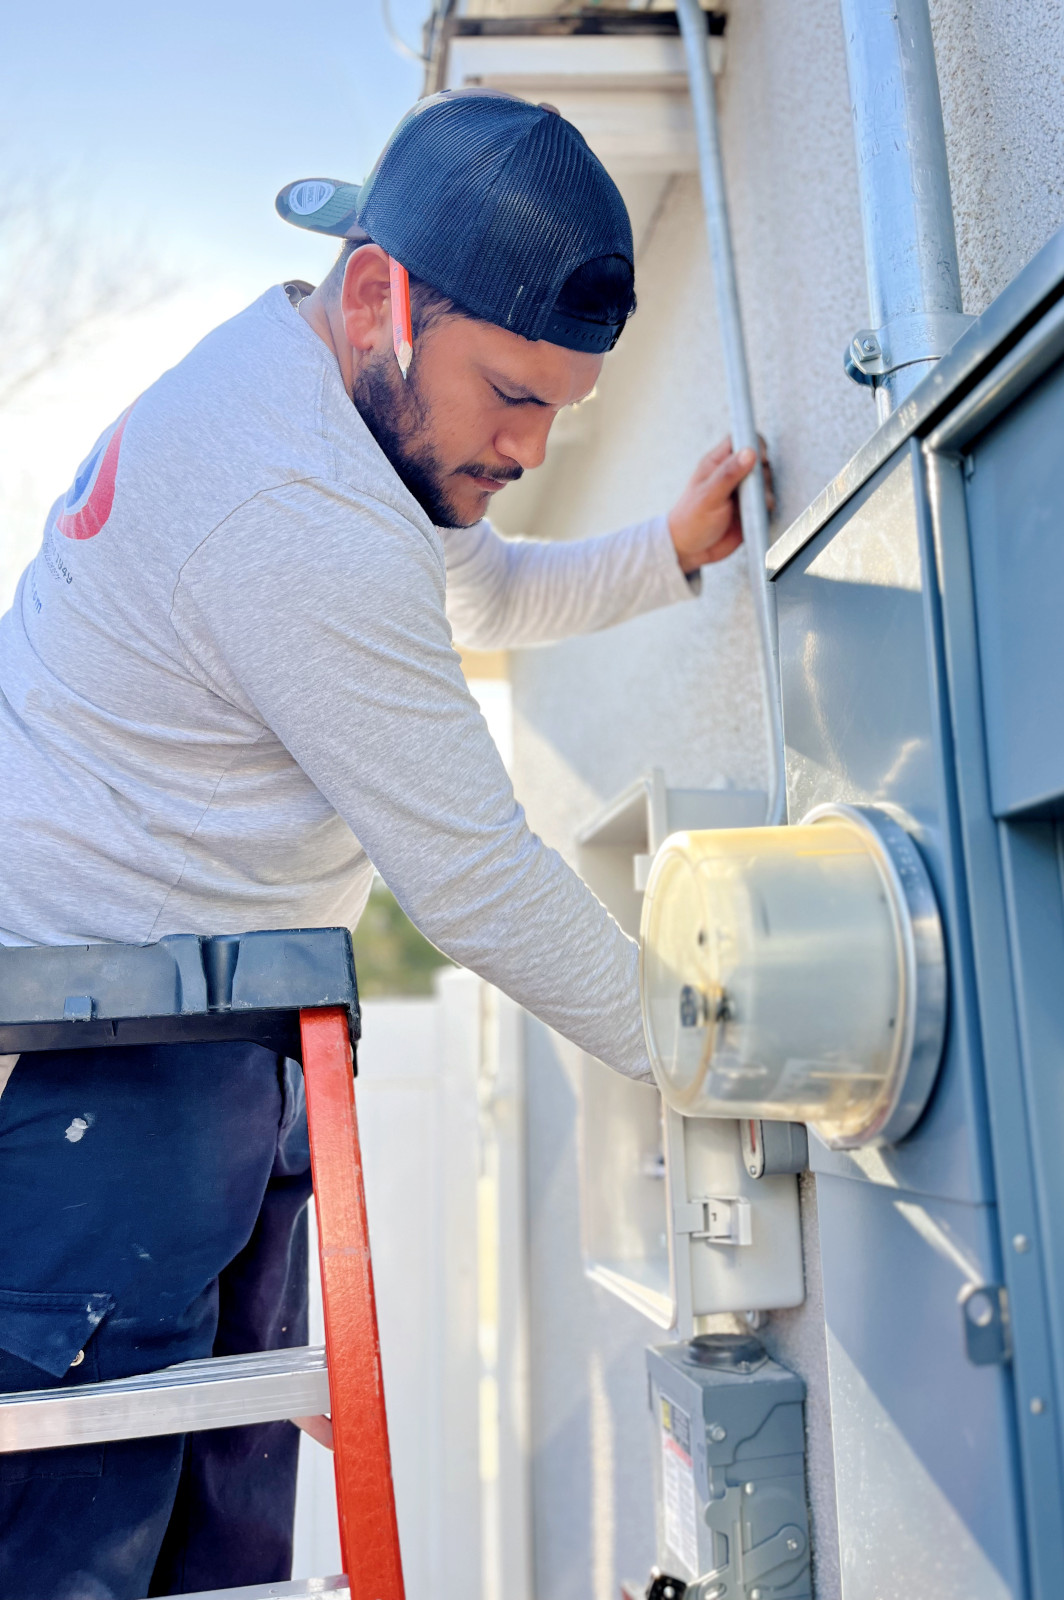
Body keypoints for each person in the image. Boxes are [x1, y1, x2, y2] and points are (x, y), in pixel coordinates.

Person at [0, 90, 767, 1598]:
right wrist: (716, 1054)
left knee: (212, 1551)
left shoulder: (352, 409)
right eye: (511, 396)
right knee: (68, 1557)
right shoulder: (289, 502)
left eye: (562, 408)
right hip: (97, 1058)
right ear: (379, 296)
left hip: (207, 1029)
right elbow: (478, 879)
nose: (532, 446)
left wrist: (667, 555)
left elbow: (472, 592)